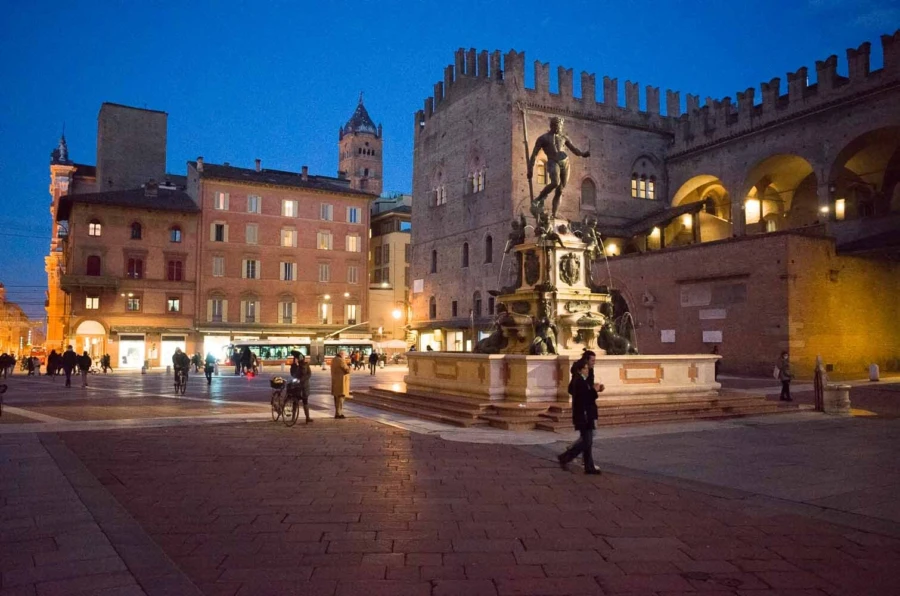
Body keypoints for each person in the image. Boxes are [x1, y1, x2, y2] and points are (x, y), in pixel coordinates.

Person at [527, 116, 591, 220]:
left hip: (565, 163)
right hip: (553, 161)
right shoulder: (543, 138)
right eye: (557, 125)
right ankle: (539, 199)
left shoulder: (564, 137)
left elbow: (574, 149)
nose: (559, 128)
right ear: (552, 125)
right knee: (555, 182)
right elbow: (534, 154)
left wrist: (583, 154)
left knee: (560, 190)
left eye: (560, 126)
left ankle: (554, 214)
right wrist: (530, 169)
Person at [557, 358, 603, 475]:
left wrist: (594, 390)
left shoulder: (582, 380)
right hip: (584, 416)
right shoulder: (579, 382)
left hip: (585, 415)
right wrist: (594, 390)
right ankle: (566, 456)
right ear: (580, 370)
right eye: (586, 369)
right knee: (587, 442)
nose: (588, 371)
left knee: (588, 442)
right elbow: (585, 398)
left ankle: (589, 466)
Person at [290, 351, 312, 424]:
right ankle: (293, 418)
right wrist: (294, 365)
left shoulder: (305, 365)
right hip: (297, 386)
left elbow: (309, 374)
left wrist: (302, 379)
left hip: (304, 386)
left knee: (305, 401)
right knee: (295, 402)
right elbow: (293, 374)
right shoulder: (295, 366)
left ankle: (307, 417)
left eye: (297, 358)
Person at [330, 349, 350, 419]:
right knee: (340, 398)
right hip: (341, 382)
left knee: (336, 398)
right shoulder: (341, 360)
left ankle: (337, 413)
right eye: (344, 355)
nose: (345, 356)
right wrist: (349, 366)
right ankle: (339, 413)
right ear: (341, 354)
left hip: (335, 381)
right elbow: (347, 370)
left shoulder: (334, 360)